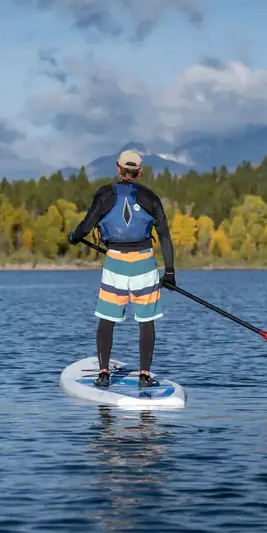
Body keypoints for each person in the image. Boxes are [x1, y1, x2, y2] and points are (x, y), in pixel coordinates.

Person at [67, 149, 175, 388]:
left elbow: (86, 225)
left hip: (115, 262)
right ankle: (145, 376)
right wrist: (169, 274)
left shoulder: (105, 194)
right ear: (140, 172)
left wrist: (74, 236)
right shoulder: (150, 197)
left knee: (107, 318)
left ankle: (104, 373)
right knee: (146, 321)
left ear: (118, 169)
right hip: (144, 264)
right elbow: (165, 236)